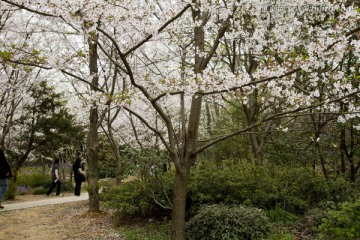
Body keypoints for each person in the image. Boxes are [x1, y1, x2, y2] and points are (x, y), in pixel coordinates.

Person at [0, 144, 13, 208]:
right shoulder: (0, 153)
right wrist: (7, 171)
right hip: (2, 173)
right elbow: (4, 162)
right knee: (4, 186)